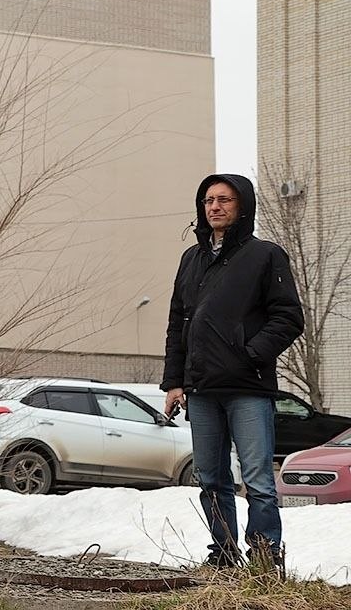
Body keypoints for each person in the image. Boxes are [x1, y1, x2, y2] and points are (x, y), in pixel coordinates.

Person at [161, 174, 303, 569]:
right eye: (208, 200)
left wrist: (250, 354)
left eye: (225, 199)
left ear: (242, 206)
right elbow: (178, 323)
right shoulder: (192, 259)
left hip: (248, 387)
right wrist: (174, 381)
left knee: (257, 480)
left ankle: (264, 558)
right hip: (202, 389)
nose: (215, 207)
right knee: (211, 479)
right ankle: (223, 554)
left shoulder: (265, 255)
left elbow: (288, 318)